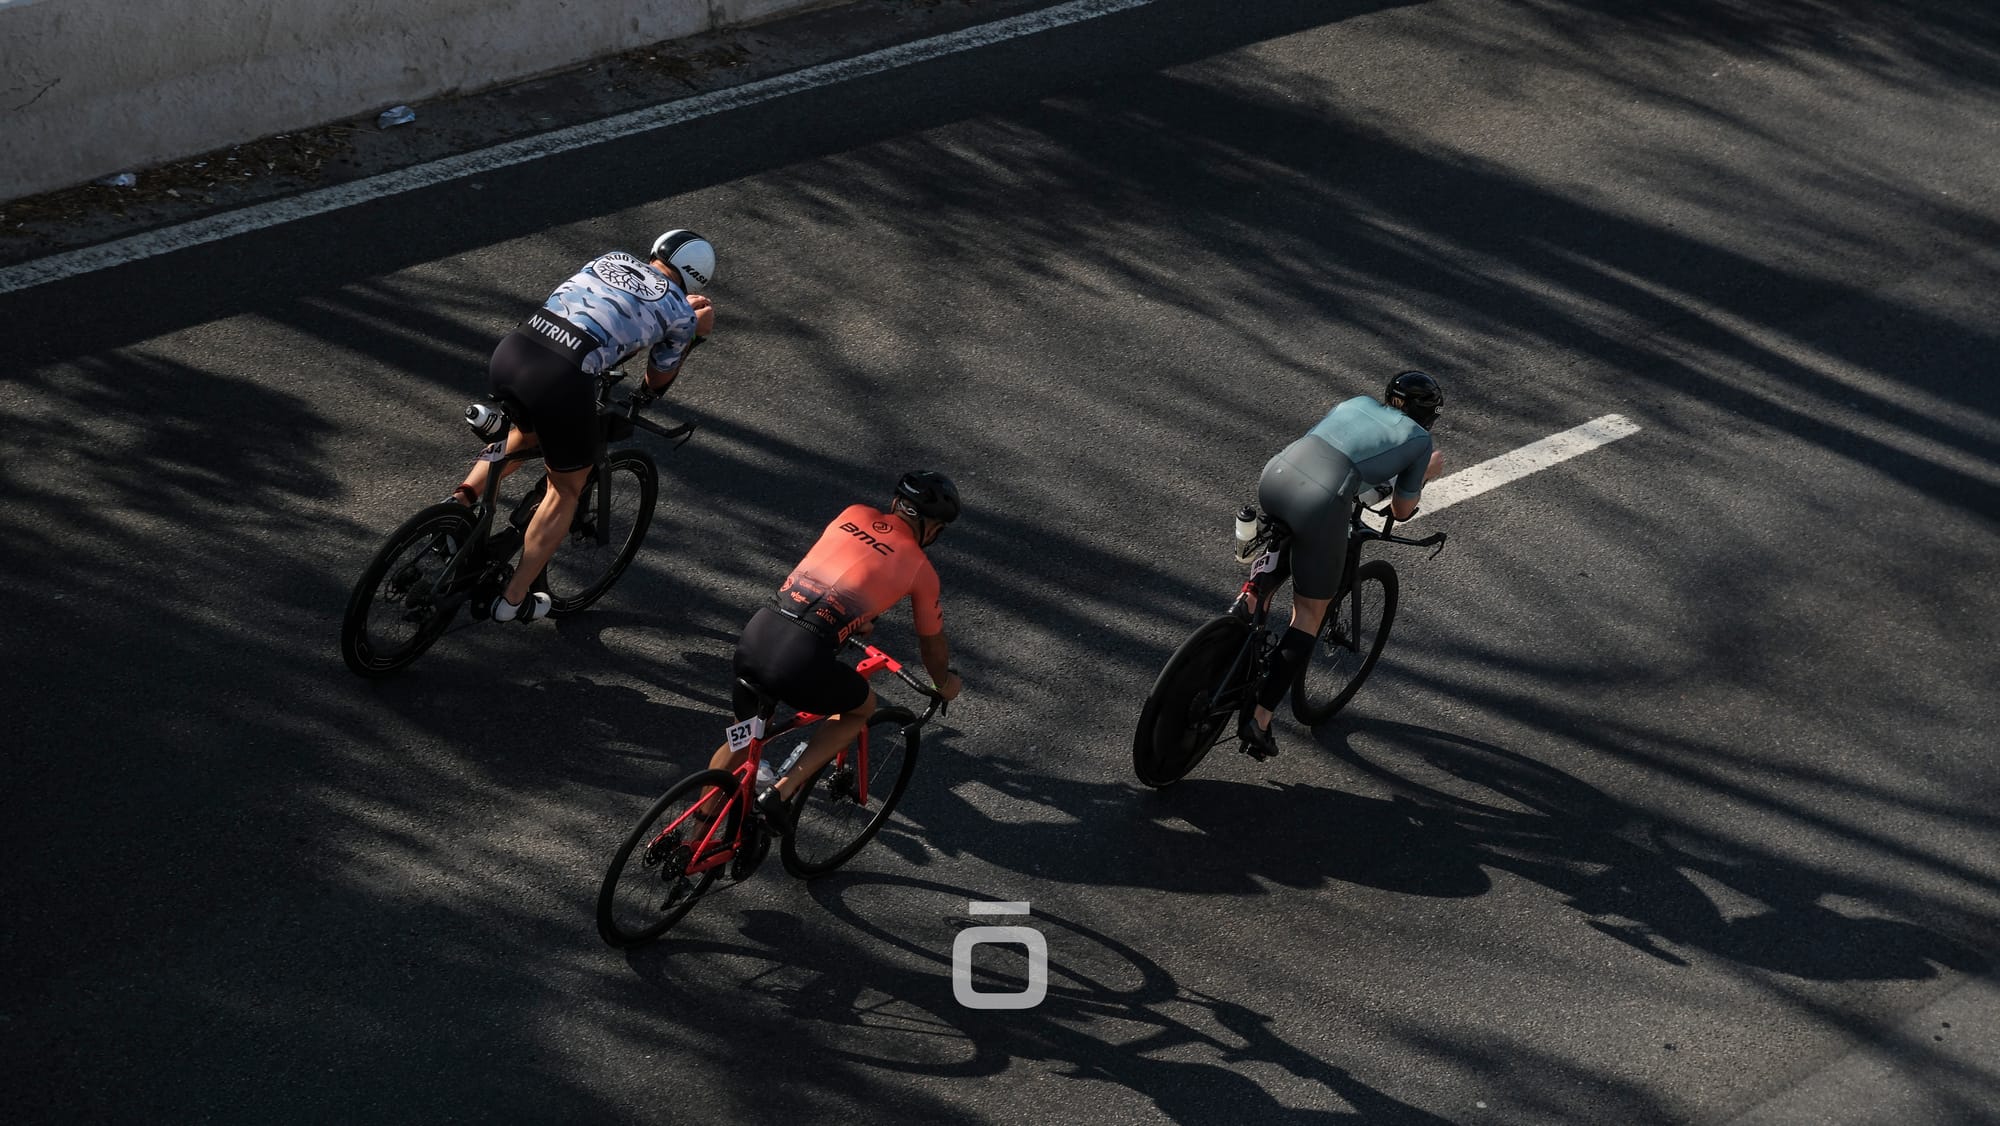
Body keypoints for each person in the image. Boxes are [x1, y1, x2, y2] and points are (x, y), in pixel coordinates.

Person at [452, 229, 718, 622]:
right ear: (697, 279)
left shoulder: (611, 257)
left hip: (514, 352)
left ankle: (455, 508)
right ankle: (513, 599)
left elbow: (607, 313)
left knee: (525, 434)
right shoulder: (680, 312)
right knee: (565, 488)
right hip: (560, 378)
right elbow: (659, 376)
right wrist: (693, 333)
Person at [709, 471, 967, 828]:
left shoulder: (853, 513)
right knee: (862, 708)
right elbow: (931, 646)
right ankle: (782, 792)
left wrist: (852, 620)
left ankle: (693, 835)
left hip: (760, 633)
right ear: (933, 528)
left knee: (745, 737)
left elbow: (839, 573)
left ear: (896, 503)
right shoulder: (920, 570)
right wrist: (944, 683)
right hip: (801, 658)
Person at [1239, 370, 1445, 758]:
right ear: (1429, 413)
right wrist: (1426, 475)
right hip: (1321, 500)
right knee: (1308, 613)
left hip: (1277, 475)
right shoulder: (1420, 439)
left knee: (1272, 568)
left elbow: (1340, 459)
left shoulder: (1356, 403)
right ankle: (1259, 720)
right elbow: (1402, 510)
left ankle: (1242, 615)